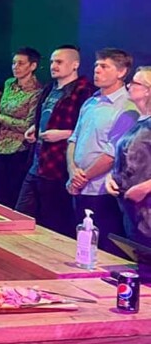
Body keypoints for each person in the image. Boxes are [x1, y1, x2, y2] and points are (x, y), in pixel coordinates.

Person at [15, 45, 96, 237]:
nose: (53, 66)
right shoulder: (49, 88)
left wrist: (63, 134)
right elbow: (45, 117)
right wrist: (35, 128)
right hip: (38, 162)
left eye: (59, 62)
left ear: (75, 65)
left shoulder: (83, 91)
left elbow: (87, 129)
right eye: (52, 62)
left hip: (58, 166)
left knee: (54, 221)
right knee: (21, 214)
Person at [66, 48, 138, 255]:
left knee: (104, 249)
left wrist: (83, 177)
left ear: (122, 72)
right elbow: (74, 139)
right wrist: (72, 171)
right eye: (97, 65)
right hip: (78, 186)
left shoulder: (127, 107)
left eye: (104, 66)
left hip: (101, 191)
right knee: (81, 245)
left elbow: (112, 154)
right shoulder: (91, 101)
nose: (97, 70)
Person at [0, 47, 43, 209]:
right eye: (14, 63)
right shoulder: (9, 83)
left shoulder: (37, 92)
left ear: (33, 66)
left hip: (19, 149)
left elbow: (28, 125)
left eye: (21, 63)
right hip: (0, 145)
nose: (15, 67)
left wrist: (0, 118)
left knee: (11, 195)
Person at [106, 66, 151, 248]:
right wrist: (111, 177)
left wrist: (145, 188)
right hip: (132, 210)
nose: (128, 86)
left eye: (134, 83)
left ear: (148, 90)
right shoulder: (139, 120)